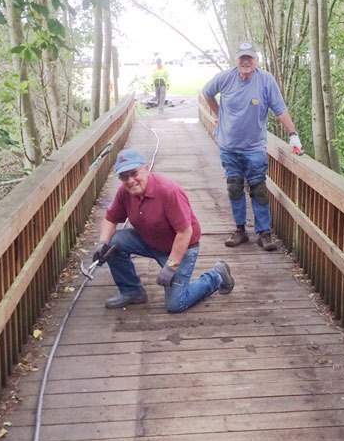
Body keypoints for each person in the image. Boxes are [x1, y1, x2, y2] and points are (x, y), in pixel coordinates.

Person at [93, 148, 234, 311]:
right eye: (124, 177)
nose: (130, 180)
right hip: (150, 240)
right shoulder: (125, 192)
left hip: (182, 246)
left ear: (146, 169)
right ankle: (132, 291)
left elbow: (185, 232)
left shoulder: (168, 191)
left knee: (176, 304)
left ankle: (216, 276)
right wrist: (102, 243)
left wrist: (170, 266)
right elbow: (110, 218)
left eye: (134, 173)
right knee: (113, 242)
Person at [202, 41, 303, 251]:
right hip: (229, 147)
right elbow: (207, 92)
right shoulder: (226, 78)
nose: (246, 62)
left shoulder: (265, 81)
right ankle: (240, 230)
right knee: (234, 188)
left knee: (259, 190)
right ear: (237, 60)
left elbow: (280, 110)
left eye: (250, 58)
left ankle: (264, 233)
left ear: (256, 60)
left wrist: (293, 135)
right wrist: (219, 113)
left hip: (254, 148)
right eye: (242, 58)